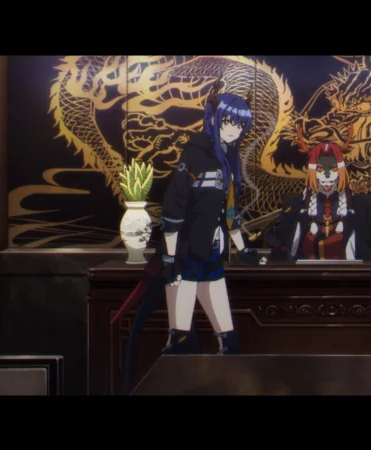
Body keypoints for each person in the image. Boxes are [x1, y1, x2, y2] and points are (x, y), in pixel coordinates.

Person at [114, 78, 262, 392]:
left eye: (240, 125)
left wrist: (242, 249)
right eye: (229, 122)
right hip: (183, 253)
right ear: (216, 119)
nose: (235, 130)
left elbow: (229, 211)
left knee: (229, 341)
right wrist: (169, 258)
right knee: (180, 341)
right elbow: (174, 207)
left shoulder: (229, 159)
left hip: (211, 252)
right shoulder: (196, 154)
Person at [264, 122, 371, 261]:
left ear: (341, 172)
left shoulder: (363, 209)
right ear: (312, 172)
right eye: (320, 169)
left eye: (333, 169)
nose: (327, 175)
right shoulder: (294, 208)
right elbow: (277, 246)